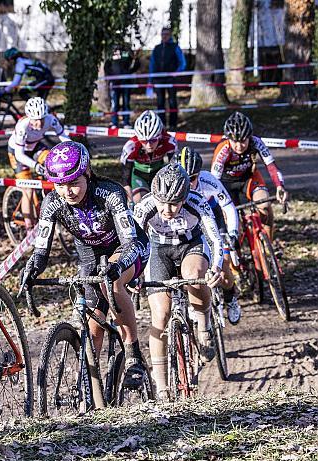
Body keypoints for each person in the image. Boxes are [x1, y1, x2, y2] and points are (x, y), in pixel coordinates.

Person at [22, 141, 151, 387]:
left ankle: (133, 355)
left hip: (127, 248)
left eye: (73, 183)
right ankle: (90, 389)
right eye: (60, 185)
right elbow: (41, 251)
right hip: (90, 255)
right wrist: (33, 268)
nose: (67, 191)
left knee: (110, 283)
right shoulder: (52, 203)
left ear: (88, 174)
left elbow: (130, 243)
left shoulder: (110, 193)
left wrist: (117, 266)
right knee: (93, 330)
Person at [133, 163, 224, 401]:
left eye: (174, 203)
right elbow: (132, 243)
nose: (167, 209)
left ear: (184, 198)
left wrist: (215, 268)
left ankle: (204, 328)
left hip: (191, 245)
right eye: (162, 202)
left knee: (194, 275)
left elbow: (215, 239)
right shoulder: (146, 207)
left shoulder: (197, 203)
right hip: (159, 250)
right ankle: (162, 386)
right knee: (160, 316)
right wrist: (132, 275)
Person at [175, 146, 242, 325]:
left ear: (199, 174)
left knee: (225, 265)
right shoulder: (174, 185)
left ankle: (230, 297)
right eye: (185, 179)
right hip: (191, 226)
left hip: (213, 218)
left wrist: (232, 232)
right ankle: (192, 300)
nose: (189, 184)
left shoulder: (209, 180)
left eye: (193, 178)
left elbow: (227, 206)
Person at [211, 111, 289, 241]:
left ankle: (268, 248)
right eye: (234, 141)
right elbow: (214, 181)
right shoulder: (223, 149)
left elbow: (271, 166)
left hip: (249, 178)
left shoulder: (256, 142)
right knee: (233, 224)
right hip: (226, 184)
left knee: (265, 207)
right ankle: (234, 256)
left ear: (249, 137)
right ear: (228, 138)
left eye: (243, 141)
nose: (239, 146)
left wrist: (280, 186)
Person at [7, 97, 71, 229]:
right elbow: (20, 155)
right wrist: (35, 166)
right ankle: (29, 227)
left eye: (41, 119)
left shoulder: (50, 119)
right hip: (17, 152)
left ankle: (49, 198)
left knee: (52, 162)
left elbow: (64, 138)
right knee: (28, 189)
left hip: (35, 146)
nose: (39, 123)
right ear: (29, 117)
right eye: (35, 120)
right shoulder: (22, 126)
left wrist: (71, 153)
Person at [120, 110, 177, 203]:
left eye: (153, 140)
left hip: (158, 173)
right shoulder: (131, 146)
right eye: (144, 141)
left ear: (160, 136)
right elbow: (125, 178)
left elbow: (175, 168)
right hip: (139, 176)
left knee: (164, 200)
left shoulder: (169, 141)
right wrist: (129, 200)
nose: (149, 145)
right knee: (140, 201)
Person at [149, 27, 186, 130]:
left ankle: (173, 124)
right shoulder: (157, 48)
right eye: (163, 34)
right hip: (158, 79)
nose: (164, 36)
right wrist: (150, 80)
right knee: (160, 102)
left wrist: (176, 73)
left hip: (171, 79)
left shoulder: (175, 47)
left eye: (167, 34)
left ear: (170, 35)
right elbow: (152, 65)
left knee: (172, 101)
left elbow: (182, 63)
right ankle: (162, 124)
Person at [104, 45, 140, 129]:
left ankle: (126, 122)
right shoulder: (111, 52)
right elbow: (106, 66)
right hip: (115, 83)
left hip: (126, 82)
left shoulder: (127, 51)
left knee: (126, 103)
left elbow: (136, 63)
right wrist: (111, 76)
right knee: (115, 104)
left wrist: (129, 72)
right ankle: (114, 123)